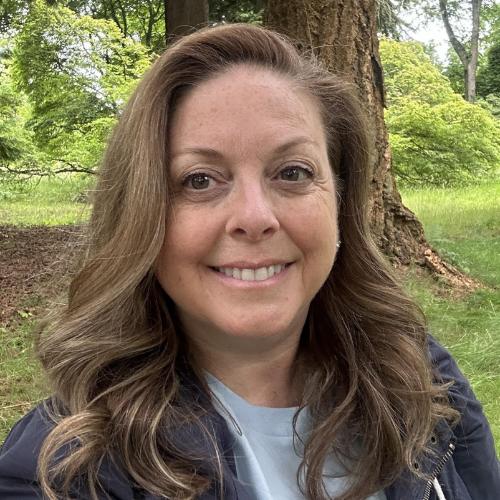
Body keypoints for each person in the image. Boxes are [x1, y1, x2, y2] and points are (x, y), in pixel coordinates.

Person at [0, 23, 498, 500]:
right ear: (141, 215)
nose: (254, 218)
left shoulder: (419, 377)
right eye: (199, 180)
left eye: (293, 172)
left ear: (341, 204)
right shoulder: (63, 469)